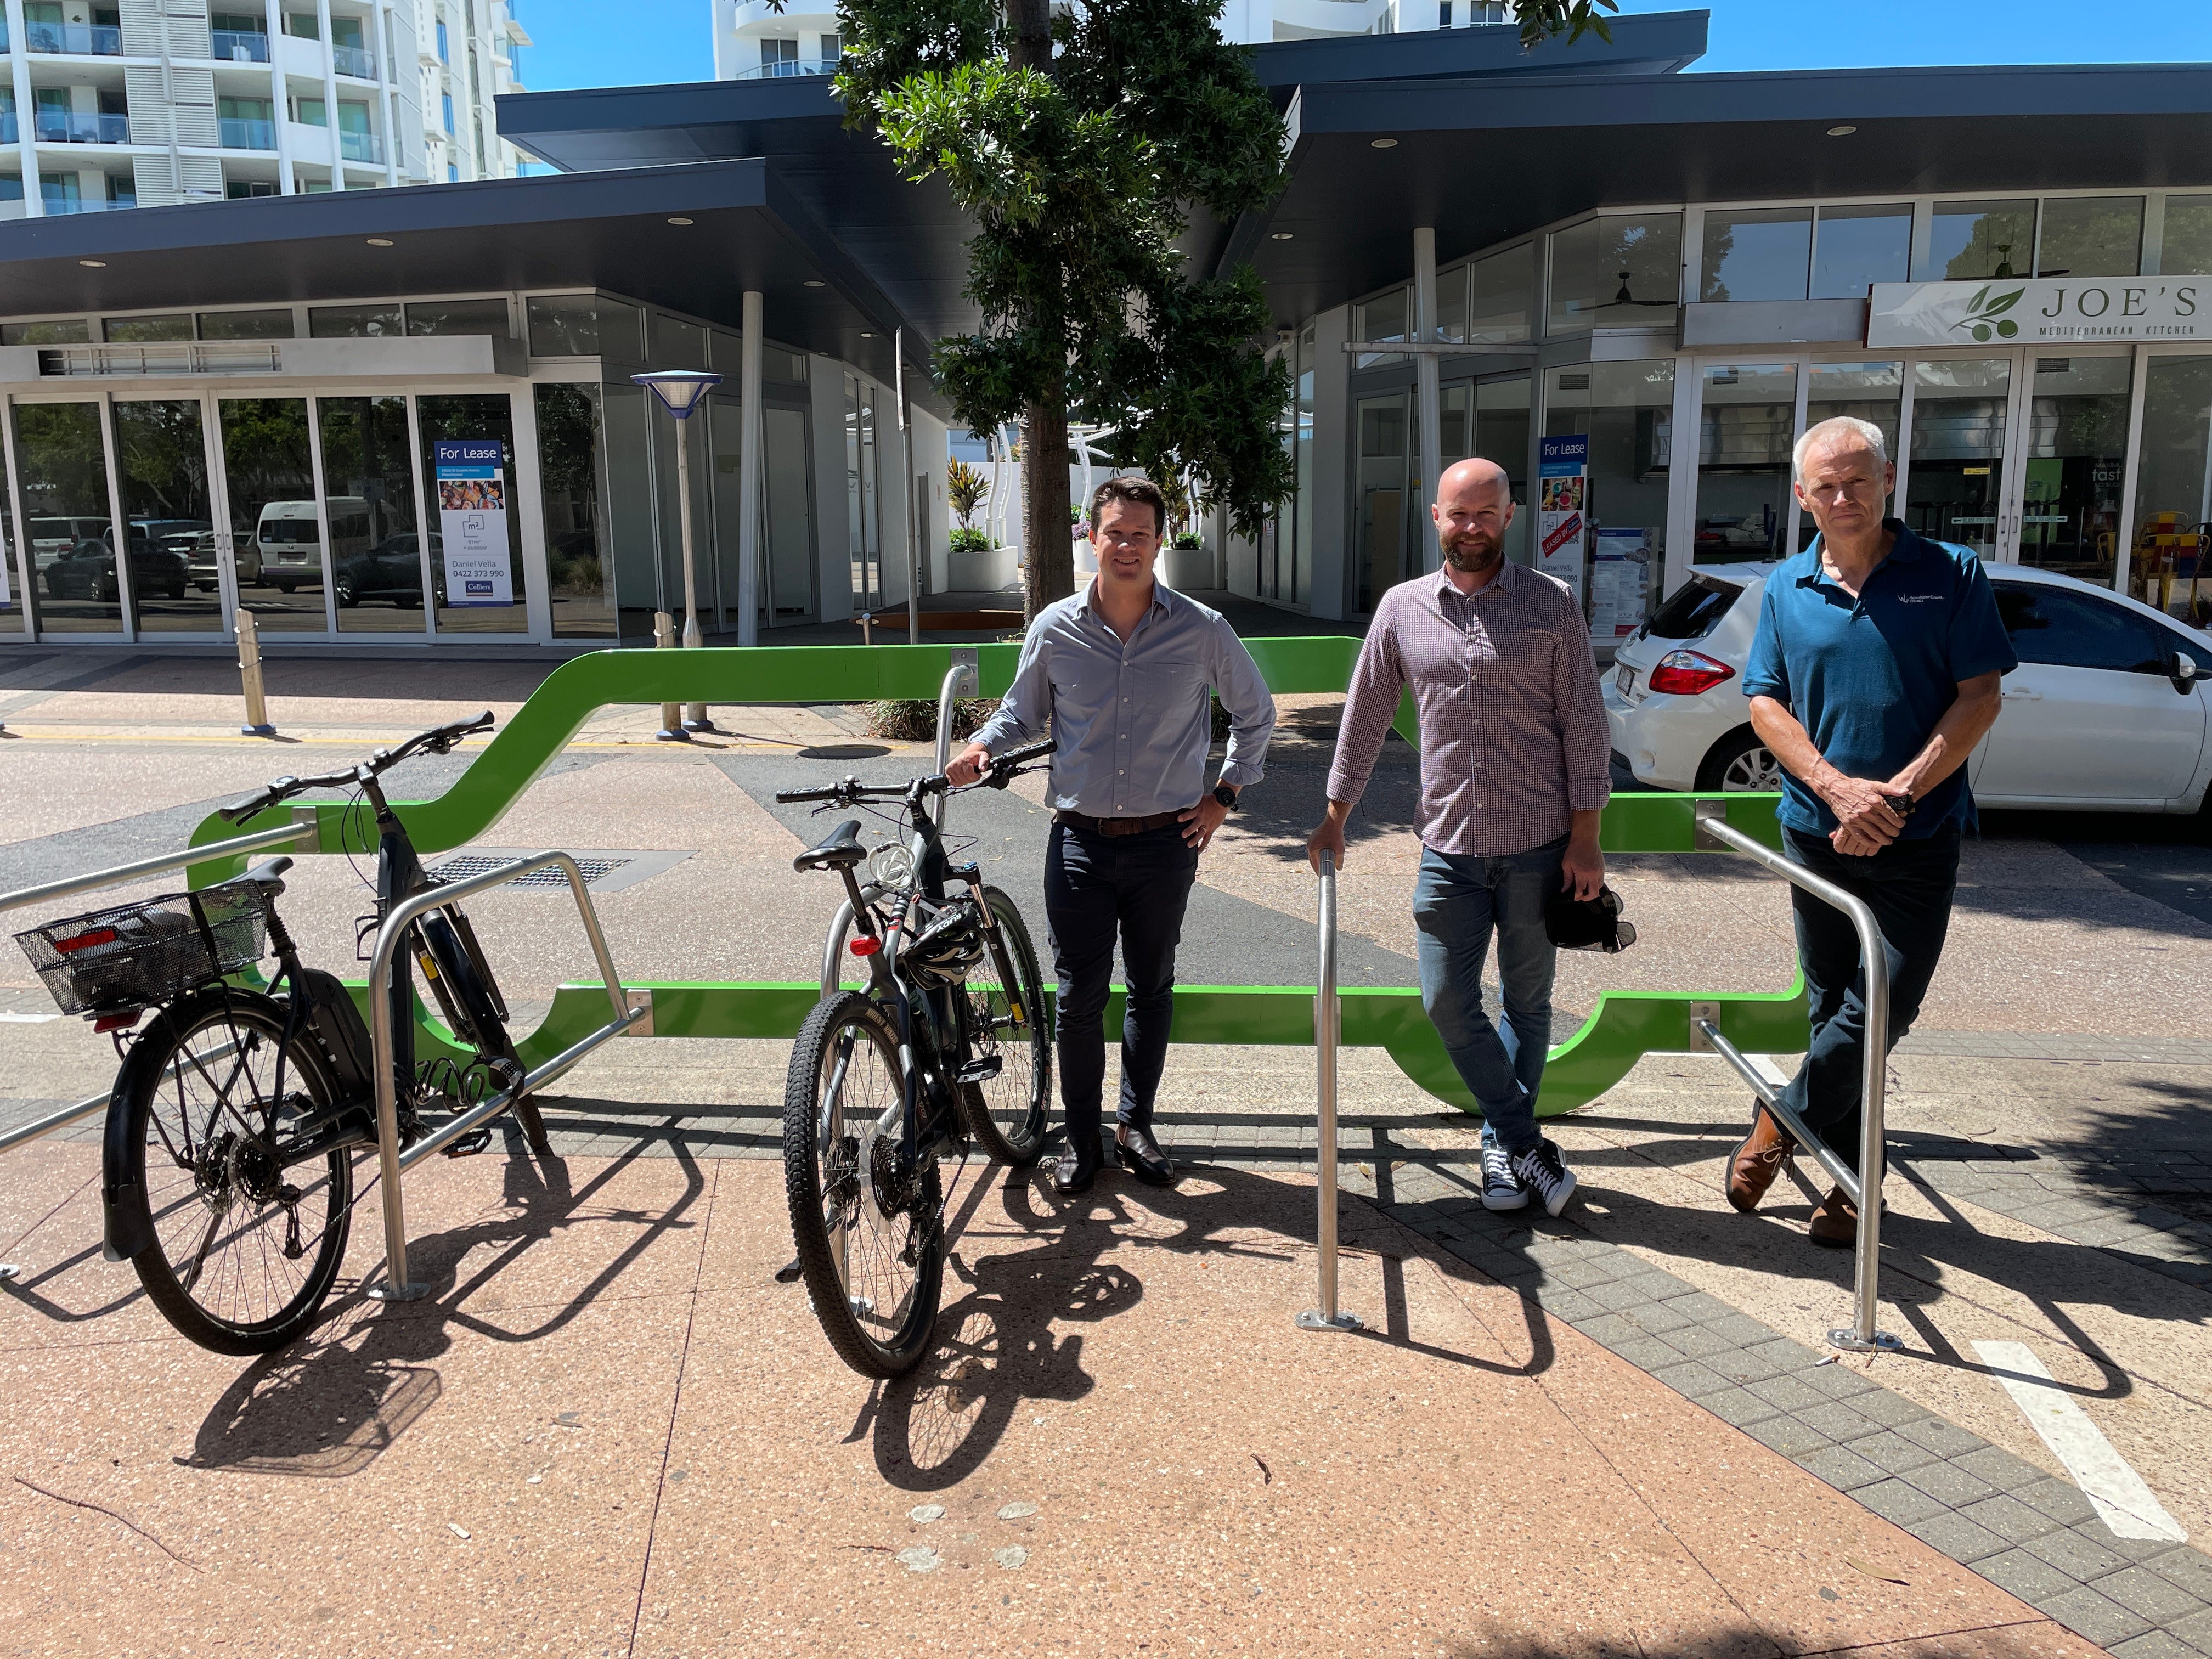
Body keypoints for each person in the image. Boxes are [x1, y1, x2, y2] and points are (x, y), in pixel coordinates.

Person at [1728, 415, 2015, 1244]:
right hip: (1816, 833)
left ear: (1890, 479)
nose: (1844, 497)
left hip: (1917, 837)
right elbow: (1764, 702)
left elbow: (1980, 696)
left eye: (1858, 479)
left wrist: (1895, 798)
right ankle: (1856, 1189)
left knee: (1885, 1004)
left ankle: (1781, 1120)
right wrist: (1832, 788)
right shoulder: (1786, 585)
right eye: (1827, 485)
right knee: (1834, 1012)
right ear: (1802, 496)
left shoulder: (1951, 572)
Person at [949, 476, 1276, 1195]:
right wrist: (979, 748)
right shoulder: (1055, 628)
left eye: (1140, 534)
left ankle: (1136, 1125)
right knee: (1078, 997)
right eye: (1114, 532)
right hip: (1079, 844)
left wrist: (1223, 795)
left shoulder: (1202, 629)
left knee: (1152, 987)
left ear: (1158, 542)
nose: (1126, 546)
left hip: (1167, 844)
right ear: (1090, 538)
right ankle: (1082, 1139)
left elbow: (1259, 715)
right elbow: (1019, 715)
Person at [1307, 456, 1609, 1218]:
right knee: (1445, 998)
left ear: (1510, 516)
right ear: (1434, 517)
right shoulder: (1403, 608)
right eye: (1456, 513)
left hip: (1540, 848)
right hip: (1448, 849)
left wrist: (1586, 838)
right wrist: (1337, 814)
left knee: (1529, 1004)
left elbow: (1585, 726)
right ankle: (1524, 1139)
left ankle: (1501, 1155)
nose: (1469, 527)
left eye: (1485, 513)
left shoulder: (1552, 605)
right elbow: (1366, 715)